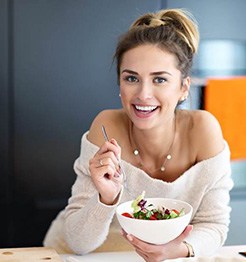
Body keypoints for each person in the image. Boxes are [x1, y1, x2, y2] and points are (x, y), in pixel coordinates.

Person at [43, 8, 233, 261]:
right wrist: (106, 198)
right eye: (132, 78)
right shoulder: (107, 126)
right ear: (120, 84)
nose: (143, 94)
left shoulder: (203, 131)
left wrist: (176, 250)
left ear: (184, 88)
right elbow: (78, 243)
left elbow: (214, 225)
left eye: (160, 80)